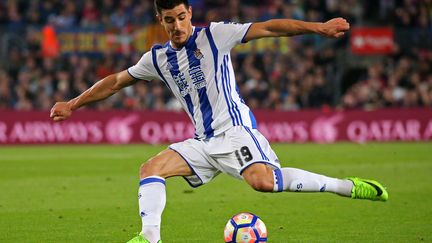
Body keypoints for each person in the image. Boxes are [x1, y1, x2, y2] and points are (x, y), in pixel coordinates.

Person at [50, 1, 389, 242]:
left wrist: (319, 28)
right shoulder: (156, 58)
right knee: (150, 168)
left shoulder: (215, 36)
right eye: (170, 19)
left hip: (234, 131)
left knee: (262, 182)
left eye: (182, 17)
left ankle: (345, 186)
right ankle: (148, 238)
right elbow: (115, 81)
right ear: (161, 20)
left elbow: (269, 27)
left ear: (190, 14)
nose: (177, 25)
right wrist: (74, 103)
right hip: (203, 141)